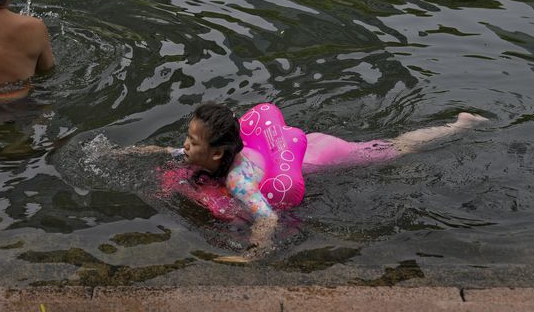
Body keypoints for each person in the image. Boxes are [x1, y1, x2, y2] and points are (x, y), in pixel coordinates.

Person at [129, 102, 487, 263]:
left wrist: (256, 254)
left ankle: (459, 126)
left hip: (326, 157)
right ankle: (458, 124)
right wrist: (131, 151)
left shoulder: (240, 180)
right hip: (301, 147)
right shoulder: (214, 152)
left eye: (193, 141)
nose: (185, 145)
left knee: (394, 149)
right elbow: (172, 151)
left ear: (217, 154)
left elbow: (267, 218)